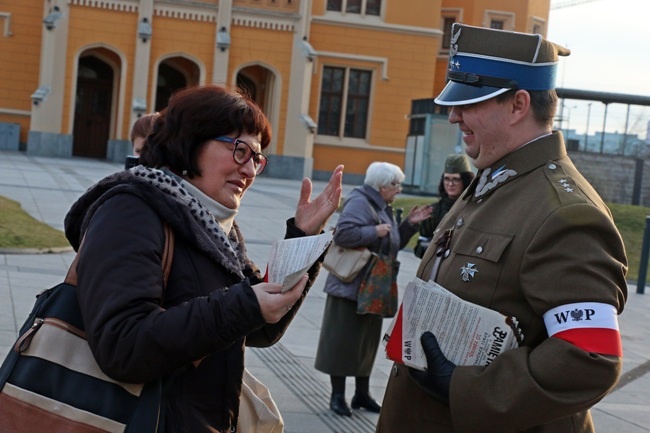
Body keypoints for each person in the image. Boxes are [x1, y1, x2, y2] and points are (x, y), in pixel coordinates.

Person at [377, 23, 627, 433]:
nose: (454, 115)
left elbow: (590, 357)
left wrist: (466, 388)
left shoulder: (566, 212)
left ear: (518, 105)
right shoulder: (495, 180)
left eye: (469, 101)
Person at [63, 84, 344, 433]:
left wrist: (302, 238)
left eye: (257, 158)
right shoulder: (130, 211)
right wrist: (242, 306)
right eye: (240, 150)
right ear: (191, 141)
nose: (251, 170)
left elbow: (261, 328)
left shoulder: (215, 227)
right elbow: (123, 346)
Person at [314, 161, 432, 417]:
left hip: (372, 288)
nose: (398, 189)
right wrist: (373, 231)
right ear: (380, 185)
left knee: (365, 343)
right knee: (343, 343)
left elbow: (389, 244)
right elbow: (343, 234)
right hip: (351, 286)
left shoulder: (381, 205)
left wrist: (409, 225)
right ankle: (337, 396)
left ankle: (361, 394)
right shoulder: (359, 202)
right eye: (394, 184)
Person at [414, 154, 474, 258]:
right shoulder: (433, 211)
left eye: (455, 179)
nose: (450, 184)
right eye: (447, 179)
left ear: (465, 181)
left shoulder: (474, 209)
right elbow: (420, 247)